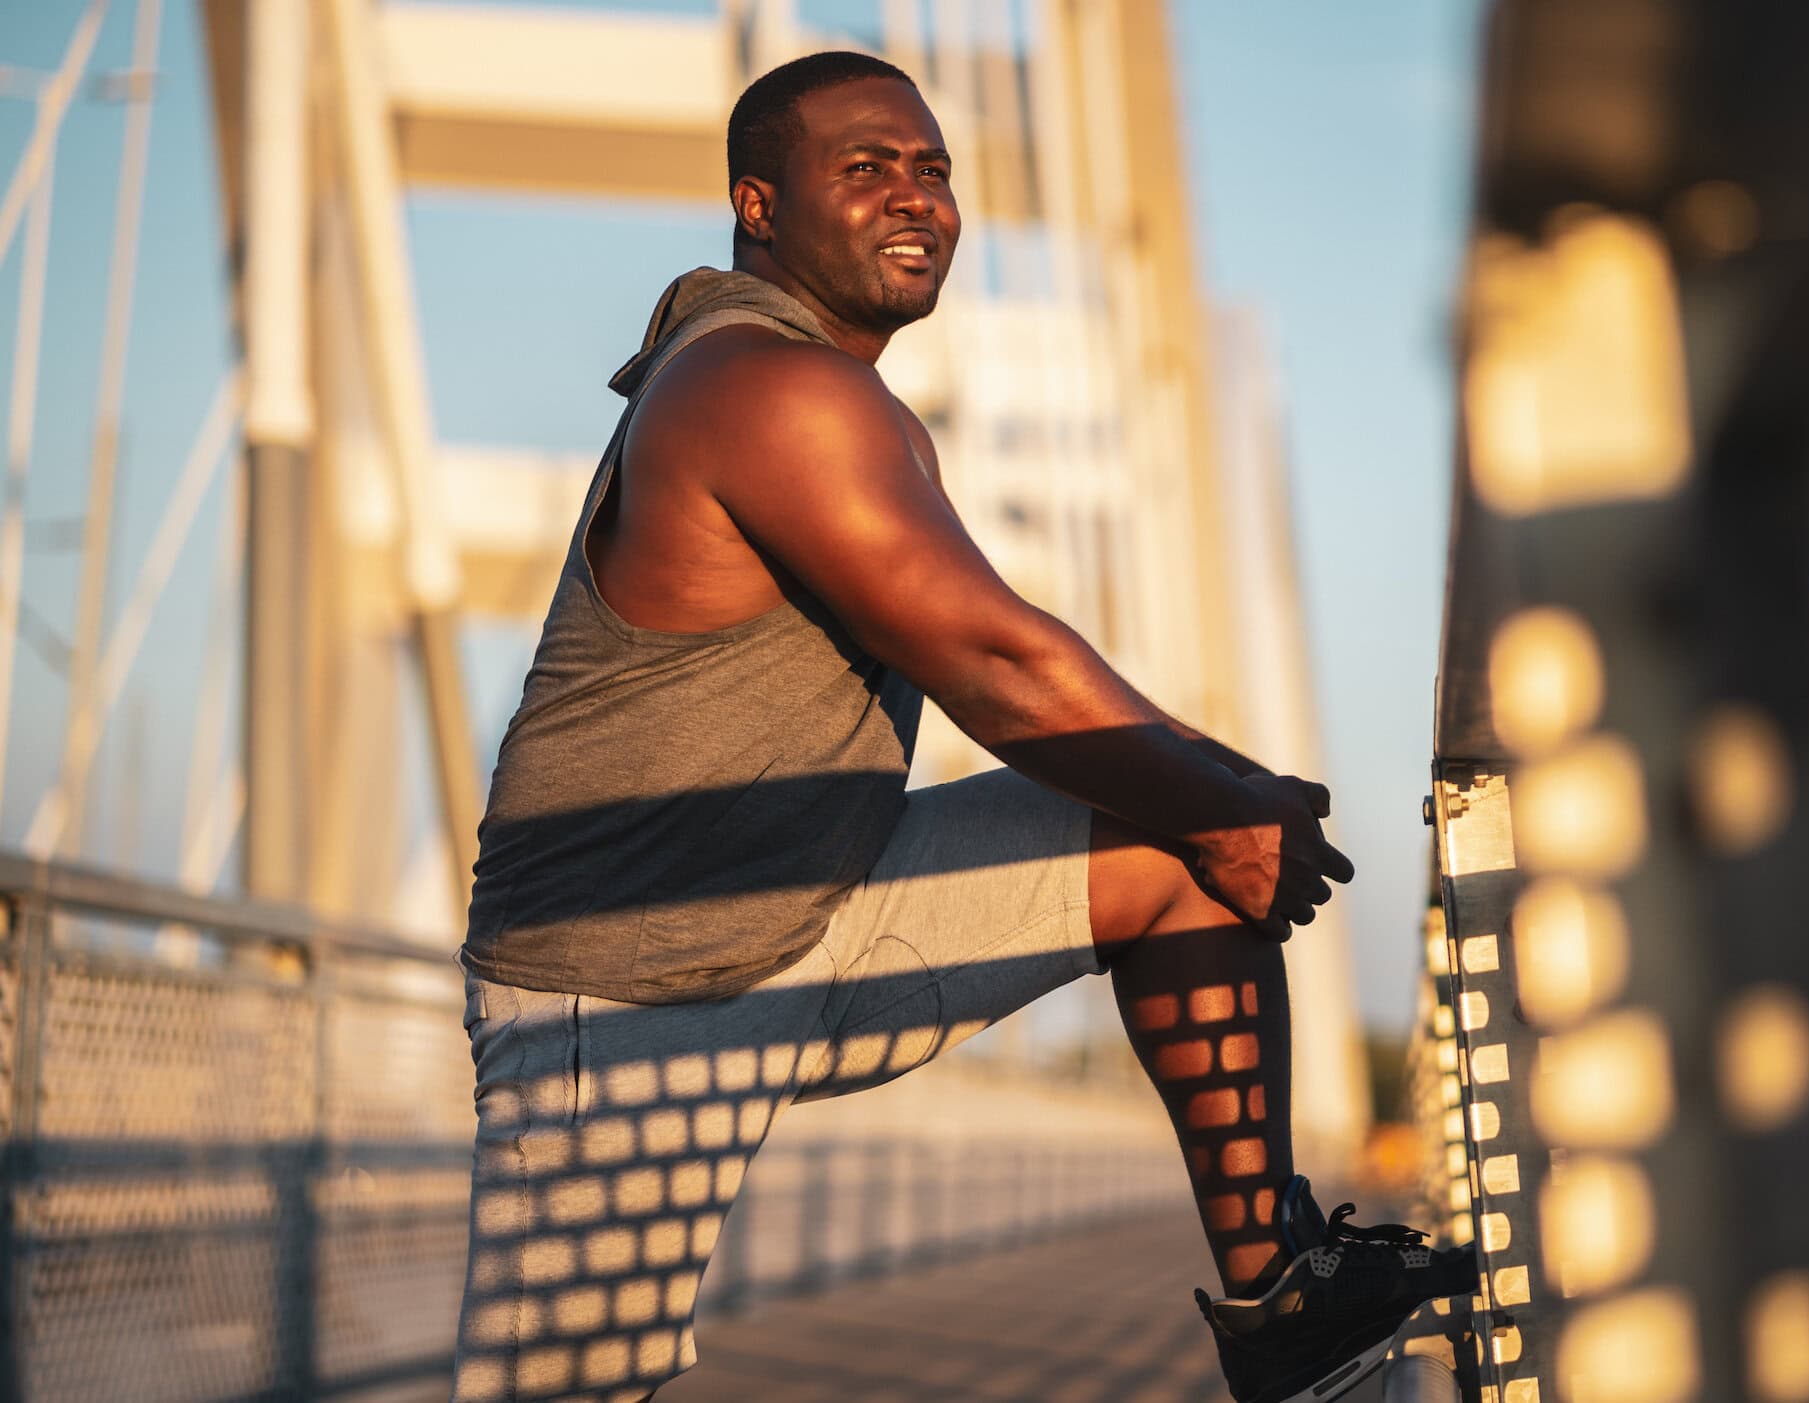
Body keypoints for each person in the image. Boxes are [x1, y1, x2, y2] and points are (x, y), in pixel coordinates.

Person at [450, 51, 1470, 1403]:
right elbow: (996, 668)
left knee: (1168, 846)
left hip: (821, 911)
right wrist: (1234, 806)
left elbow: (1017, 641)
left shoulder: (840, 397)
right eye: (865, 169)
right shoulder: (763, 389)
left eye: (933, 169)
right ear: (760, 204)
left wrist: (1222, 794)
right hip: (622, 994)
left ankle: (1279, 1294)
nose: (916, 197)